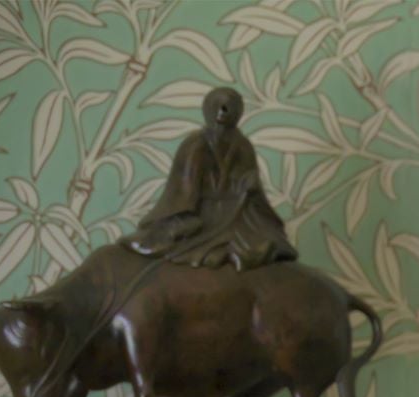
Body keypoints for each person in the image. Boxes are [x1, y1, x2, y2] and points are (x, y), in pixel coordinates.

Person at [125, 87, 299, 271]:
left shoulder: (243, 146)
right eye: (218, 105)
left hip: (236, 213)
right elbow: (184, 190)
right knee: (183, 232)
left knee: (268, 239)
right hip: (202, 211)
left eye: (229, 107)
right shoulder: (195, 145)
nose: (223, 111)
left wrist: (250, 186)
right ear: (207, 109)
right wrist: (187, 213)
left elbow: (250, 183)